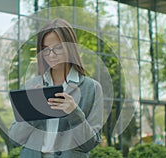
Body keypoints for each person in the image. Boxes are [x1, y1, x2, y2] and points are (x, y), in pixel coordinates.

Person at [8, 18, 104, 158]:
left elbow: (89, 144)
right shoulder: (31, 86)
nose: (51, 55)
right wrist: (33, 112)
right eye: (46, 49)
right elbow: (14, 139)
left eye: (58, 48)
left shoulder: (92, 88)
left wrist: (74, 113)